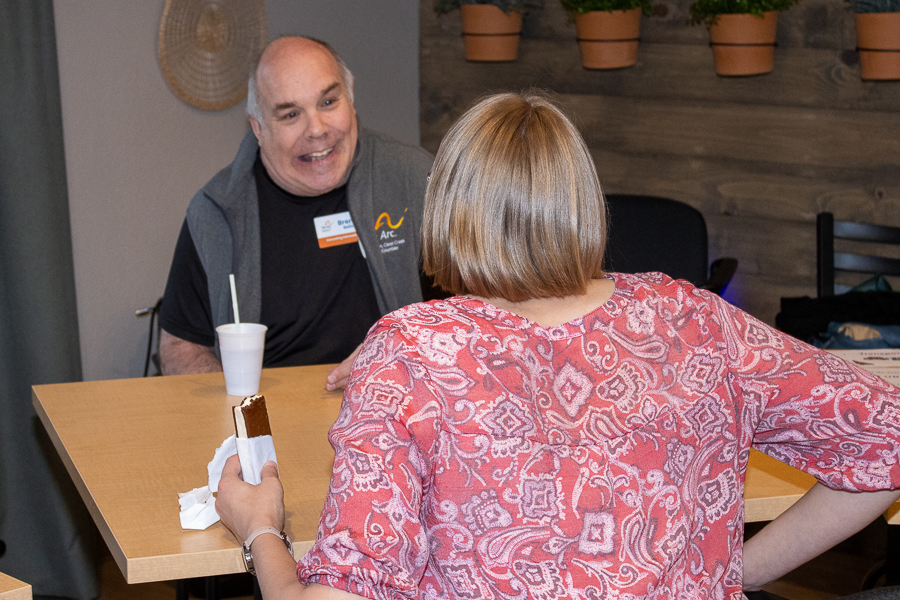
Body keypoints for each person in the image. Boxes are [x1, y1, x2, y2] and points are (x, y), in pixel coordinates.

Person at [215, 92, 900, 599]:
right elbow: (888, 439)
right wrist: (726, 573)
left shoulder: (410, 354)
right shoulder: (699, 319)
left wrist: (261, 531)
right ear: (584, 201)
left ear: (449, 208)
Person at [158, 36, 433, 390]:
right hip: (271, 418)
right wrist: (241, 411)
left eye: (329, 101)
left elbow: (485, 306)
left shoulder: (416, 179)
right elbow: (180, 346)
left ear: (351, 102)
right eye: (291, 114)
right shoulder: (217, 212)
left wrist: (406, 353)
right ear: (258, 128)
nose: (317, 130)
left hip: (398, 407)